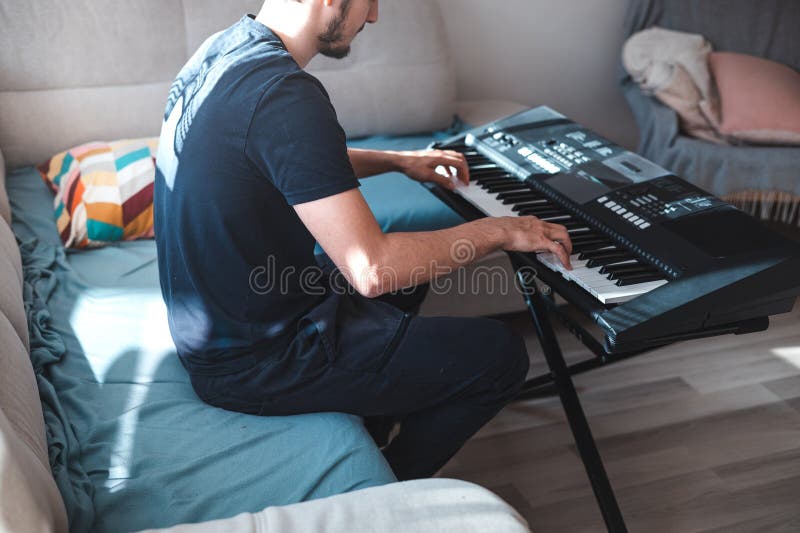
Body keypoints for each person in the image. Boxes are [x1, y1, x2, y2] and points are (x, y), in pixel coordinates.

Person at [154, 0, 572, 481]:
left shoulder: (223, 52)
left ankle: (375, 410)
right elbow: (372, 270)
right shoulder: (285, 94)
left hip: (229, 329)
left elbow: (291, 157)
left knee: (411, 278)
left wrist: (400, 161)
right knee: (500, 355)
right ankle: (385, 486)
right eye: (370, 2)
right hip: (259, 360)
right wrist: (502, 230)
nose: (372, 17)